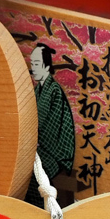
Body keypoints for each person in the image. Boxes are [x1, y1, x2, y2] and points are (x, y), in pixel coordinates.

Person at [25, 43, 75, 206]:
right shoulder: (37, 90)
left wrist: (33, 140)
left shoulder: (53, 91)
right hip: (41, 147)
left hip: (56, 152)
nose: (34, 69)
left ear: (46, 65)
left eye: (37, 65)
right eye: (32, 65)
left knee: (28, 174)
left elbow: (50, 127)